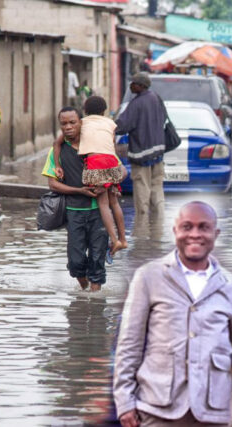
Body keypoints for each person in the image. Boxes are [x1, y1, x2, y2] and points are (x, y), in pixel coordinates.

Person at [113, 201, 232, 426]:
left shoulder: (230, 286)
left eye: (203, 227)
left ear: (216, 233)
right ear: (175, 231)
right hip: (157, 407)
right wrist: (124, 401)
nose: (195, 234)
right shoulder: (149, 276)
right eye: (187, 227)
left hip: (211, 410)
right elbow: (129, 345)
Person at [42, 107, 125, 292]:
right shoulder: (58, 152)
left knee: (97, 260)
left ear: (82, 123)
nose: (68, 127)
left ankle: (94, 301)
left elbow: (122, 170)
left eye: (73, 122)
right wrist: (80, 190)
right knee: (75, 262)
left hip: (99, 214)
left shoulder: (98, 146)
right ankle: (84, 291)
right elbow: (53, 185)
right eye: (64, 124)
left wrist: (111, 183)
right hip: (74, 213)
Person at [53, 96, 127, 258]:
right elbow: (112, 146)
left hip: (96, 162)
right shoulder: (110, 123)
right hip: (112, 161)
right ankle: (123, 238)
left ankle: (114, 240)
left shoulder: (84, 123)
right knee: (114, 201)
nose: (69, 126)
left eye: (72, 122)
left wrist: (58, 166)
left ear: (84, 113)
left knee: (103, 204)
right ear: (104, 111)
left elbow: (57, 143)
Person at [115, 72, 167, 218]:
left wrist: (108, 127)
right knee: (157, 187)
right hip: (158, 152)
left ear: (140, 86)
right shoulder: (156, 98)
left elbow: (123, 125)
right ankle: (159, 221)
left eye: (133, 83)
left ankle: (142, 223)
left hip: (142, 154)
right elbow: (163, 118)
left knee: (141, 187)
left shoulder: (136, 103)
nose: (130, 86)